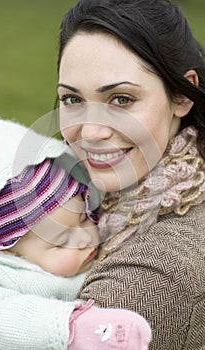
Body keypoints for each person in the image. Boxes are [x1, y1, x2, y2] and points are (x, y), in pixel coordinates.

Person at [56, 0, 205, 349]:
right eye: (72, 100)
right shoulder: (76, 195)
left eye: (121, 99)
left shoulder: (147, 279)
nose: (90, 132)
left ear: (182, 95)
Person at [0, 116, 152, 350]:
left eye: (84, 216)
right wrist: (73, 327)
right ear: (9, 253)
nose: (86, 237)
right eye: (62, 241)